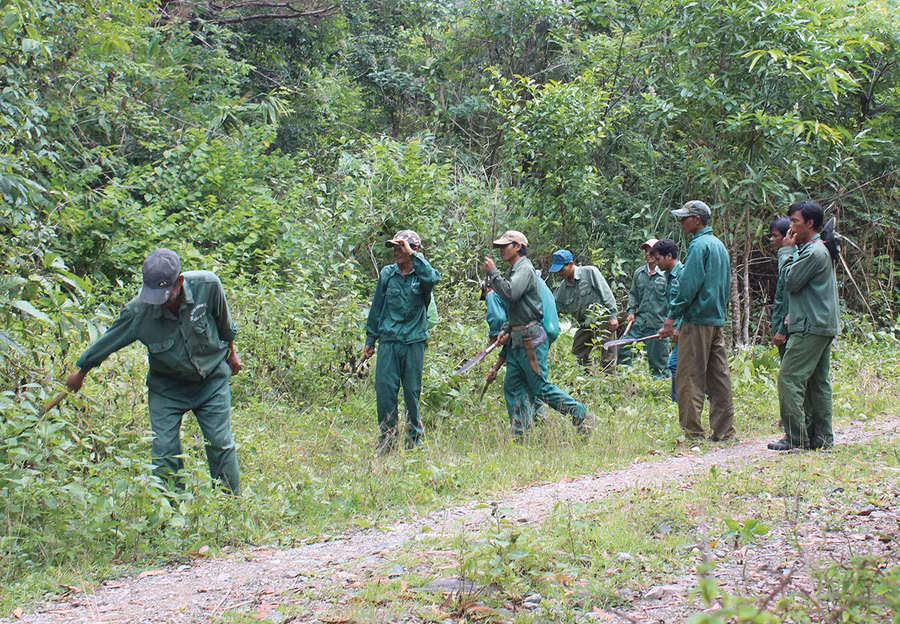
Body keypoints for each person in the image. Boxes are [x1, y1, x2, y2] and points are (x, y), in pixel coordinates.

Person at [65, 248, 243, 492]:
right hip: (167, 389)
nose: (159, 300)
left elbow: (225, 325)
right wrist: (80, 373)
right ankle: (170, 514)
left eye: (165, 293)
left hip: (211, 380)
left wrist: (232, 354)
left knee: (221, 444)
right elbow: (107, 342)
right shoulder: (138, 311)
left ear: (179, 281)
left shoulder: (207, 285)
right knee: (164, 452)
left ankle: (228, 508)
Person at [484, 231, 594, 437]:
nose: (501, 251)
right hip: (517, 340)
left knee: (540, 387)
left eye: (504, 246)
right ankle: (520, 435)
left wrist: (493, 273)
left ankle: (580, 413)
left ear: (518, 246)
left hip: (530, 340)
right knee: (513, 386)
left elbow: (510, 293)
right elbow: (517, 307)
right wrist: (507, 329)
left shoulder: (524, 269)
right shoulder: (514, 271)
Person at [659, 201, 736, 442]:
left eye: (685, 218)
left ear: (698, 220)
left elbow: (688, 286)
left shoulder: (698, 245)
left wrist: (672, 317)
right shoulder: (718, 245)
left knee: (689, 377)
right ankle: (725, 430)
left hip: (697, 319)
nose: (681, 222)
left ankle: (693, 432)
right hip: (715, 319)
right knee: (719, 376)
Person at [768, 201, 840, 451]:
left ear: (810, 223)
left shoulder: (813, 252)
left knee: (788, 379)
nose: (791, 227)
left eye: (795, 221)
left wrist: (786, 253)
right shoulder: (818, 249)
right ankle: (821, 439)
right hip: (819, 323)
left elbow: (790, 281)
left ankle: (797, 438)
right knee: (817, 383)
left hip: (811, 326)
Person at [365, 230, 441, 455]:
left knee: (412, 393)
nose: (397, 253)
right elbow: (377, 307)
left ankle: (414, 442)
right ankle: (387, 443)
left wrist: (415, 257)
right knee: (385, 392)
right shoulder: (388, 274)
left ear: (413, 250)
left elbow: (434, 278)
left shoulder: (423, 275)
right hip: (389, 341)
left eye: (401, 248)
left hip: (414, 342)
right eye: (395, 248)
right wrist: (371, 339)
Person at [549, 249, 619, 370]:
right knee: (578, 353)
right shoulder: (563, 288)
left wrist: (613, 316)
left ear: (571, 264)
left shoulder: (590, 272)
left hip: (602, 320)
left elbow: (606, 293)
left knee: (608, 354)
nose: (559, 273)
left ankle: (610, 382)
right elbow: (554, 306)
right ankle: (587, 377)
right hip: (585, 324)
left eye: (561, 269)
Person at [618, 239, 669, 378]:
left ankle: (660, 389)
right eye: (646, 251)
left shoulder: (666, 274)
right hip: (640, 321)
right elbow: (633, 295)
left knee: (659, 362)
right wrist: (631, 312)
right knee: (625, 347)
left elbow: (673, 300)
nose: (648, 254)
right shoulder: (639, 273)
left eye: (652, 251)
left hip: (658, 323)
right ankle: (623, 380)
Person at [650, 239, 683, 402]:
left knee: (675, 364)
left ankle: (678, 402)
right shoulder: (668, 277)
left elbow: (688, 303)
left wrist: (680, 327)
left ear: (669, 256)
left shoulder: (683, 274)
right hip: (678, 328)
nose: (656, 264)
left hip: (688, 327)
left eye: (658, 259)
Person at [769, 217, 791, 358]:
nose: (771, 239)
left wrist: (783, 330)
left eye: (775, 236)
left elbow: (788, 297)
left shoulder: (790, 258)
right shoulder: (785, 256)